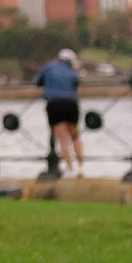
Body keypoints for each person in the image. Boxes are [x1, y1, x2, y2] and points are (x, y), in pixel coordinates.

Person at [35, 47, 83, 177]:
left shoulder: (49, 67)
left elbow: (38, 81)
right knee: (75, 136)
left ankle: (70, 169)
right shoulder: (72, 71)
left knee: (62, 139)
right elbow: (77, 83)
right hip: (71, 103)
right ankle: (81, 167)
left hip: (54, 103)